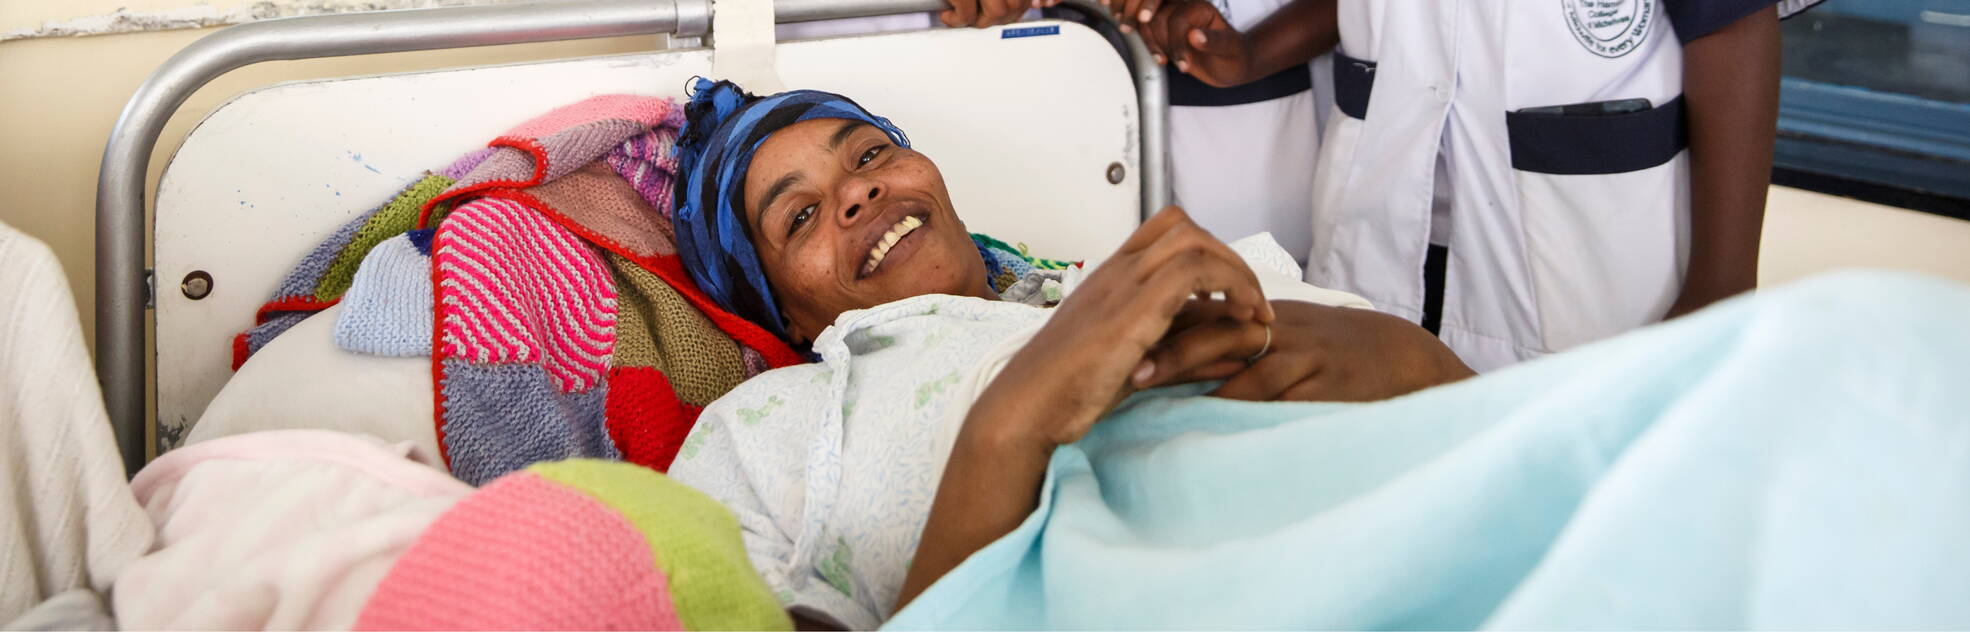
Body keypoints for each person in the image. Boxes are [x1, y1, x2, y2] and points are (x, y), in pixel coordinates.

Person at [662, 79, 1970, 630]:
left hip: (1360, 507)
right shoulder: (768, 434)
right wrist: (1018, 417)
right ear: (771, 303)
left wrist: (1344, 345)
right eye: (796, 214)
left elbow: (1455, 414)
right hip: (1145, 581)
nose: (859, 196)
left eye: (870, 154)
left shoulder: (1128, 274)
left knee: (1860, 352)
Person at [1141, 0, 1822, 371]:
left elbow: (1732, 27)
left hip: (1578, 244)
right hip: (1384, 220)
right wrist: (1254, 53)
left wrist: (1724, 284)